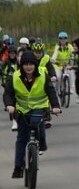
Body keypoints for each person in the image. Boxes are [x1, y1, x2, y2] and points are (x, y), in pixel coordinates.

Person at [4, 50, 62, 178]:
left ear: (35, 65)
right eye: (25, 64)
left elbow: (51, 91)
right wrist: (9, 105)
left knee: (39, 127)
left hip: (39, 109)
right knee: (22, 138)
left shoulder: (42, 75)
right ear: (21, 65)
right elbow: (8, 93)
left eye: (31, 64)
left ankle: (42, 141)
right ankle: (18, 167)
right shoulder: (14, 76)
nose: (28, 67)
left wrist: (56, 106)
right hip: (22, 111)